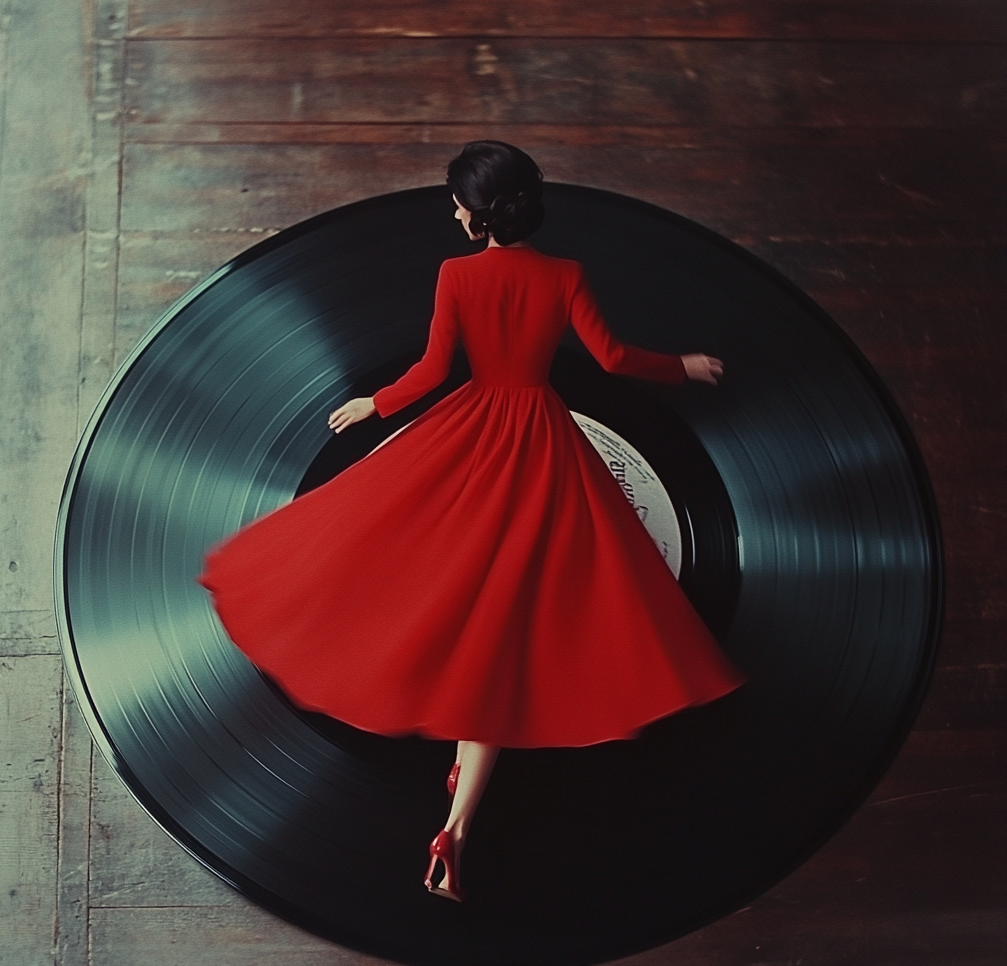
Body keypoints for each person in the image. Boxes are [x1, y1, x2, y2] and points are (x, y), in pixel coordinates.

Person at [199, 141, 744, 903]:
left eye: (456, 200)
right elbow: (614, 359)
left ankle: (451, 814)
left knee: (427, 573)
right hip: (544, 444)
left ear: (478, 215)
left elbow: (432, 371)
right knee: (507, 627)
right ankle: (455, 825)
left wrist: (374, 404)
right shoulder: (565, 275)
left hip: (474, 431)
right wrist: (681, 365)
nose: (451, 210)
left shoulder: (457, 274)